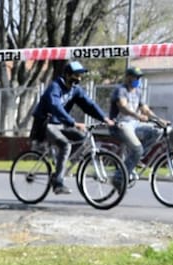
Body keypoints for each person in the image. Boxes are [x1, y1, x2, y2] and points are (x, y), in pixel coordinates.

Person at [30, 61, 113, 194]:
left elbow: (88, 105)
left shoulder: (75, 90)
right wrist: (73, 123)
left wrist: (104, 118)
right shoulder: (55, 87)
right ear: (67, 75)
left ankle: (62, 166)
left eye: (80, 76)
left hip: (62, 124)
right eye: (76, 75)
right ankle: (58, 183)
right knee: (65, 145)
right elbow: (55, 107)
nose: (79, 78)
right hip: (47, 124)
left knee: (84, 137)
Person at [110, 65, 165, 182]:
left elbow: (145, 109)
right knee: (137, 149)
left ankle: (136, 158)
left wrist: (158, 119)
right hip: (120, 124)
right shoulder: (121, 90)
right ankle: (119, 177)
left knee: (157, 130)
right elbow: (123, 108)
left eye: (139, 78)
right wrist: (138, 116)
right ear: (128, 77)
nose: (138, 80)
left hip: (134, 124)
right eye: (136, 77)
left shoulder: (138, 92)